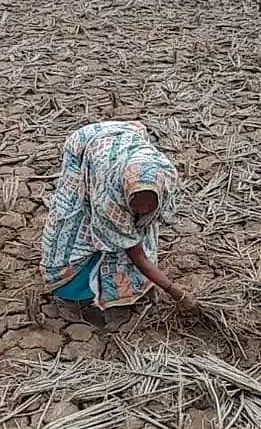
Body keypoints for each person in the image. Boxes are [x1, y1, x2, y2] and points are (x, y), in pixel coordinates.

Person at [41, 121, 197, 312]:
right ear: (125, 194)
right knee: (76, 220)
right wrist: (176, 293)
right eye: (136, 202)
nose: (142, 209)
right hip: (84, 146)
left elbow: (148, 211)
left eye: (150, 203)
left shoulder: (164, 174)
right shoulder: (109, 200)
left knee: (140, 228)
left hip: (121, 140)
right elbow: (138, 256)